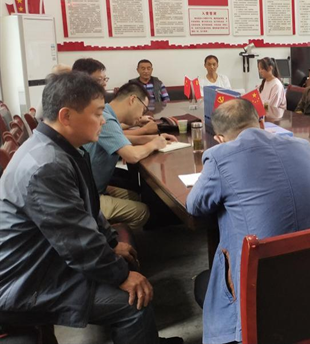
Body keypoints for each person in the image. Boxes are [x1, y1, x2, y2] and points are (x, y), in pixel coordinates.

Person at [0, 72, 181, 344]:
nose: (104, 120)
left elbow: (88, 210)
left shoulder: (62, 149)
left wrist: (111, 243)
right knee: (133, 303)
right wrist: (120, 275)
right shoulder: (46, 166)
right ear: (66, 116)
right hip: (26, 283)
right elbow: (76, 241)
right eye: (97, 114)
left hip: (45, 263)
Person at [186, 98, 310, 344]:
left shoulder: (219, 155)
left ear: (220, 138)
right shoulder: (301, 146)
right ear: (261, 124)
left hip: (265, 294)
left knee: (207, 280)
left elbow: (195, 205)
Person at [84, 82, 177, 229]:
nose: (142, 115)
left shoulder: (107, 114)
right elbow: (132, 156)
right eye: (143, 108)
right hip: (86, 197)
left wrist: (151, 139)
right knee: (142, 211)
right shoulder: (106, 120)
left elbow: (119, 139)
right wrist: (153, 144)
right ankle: (109, 236)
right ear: (132, 100)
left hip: (93, 188)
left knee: (136, 197)